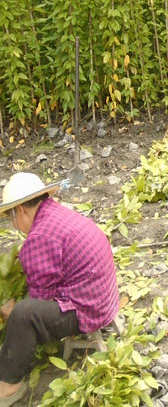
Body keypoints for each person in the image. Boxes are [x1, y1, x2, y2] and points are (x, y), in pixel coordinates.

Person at [0, 173, 120, 405]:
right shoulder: (58, 214)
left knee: (24, 315)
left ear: (21, 211)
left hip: (89, 308)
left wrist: (11, 313)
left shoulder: (39, 238)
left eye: (10, 218)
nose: (13, 224)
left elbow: (39, 299)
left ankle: (10, 385)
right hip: (104, 295)